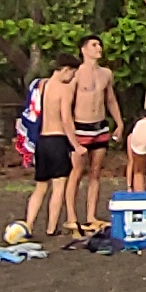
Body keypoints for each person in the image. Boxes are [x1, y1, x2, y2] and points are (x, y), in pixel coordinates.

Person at [66, 36, 123, 235]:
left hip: (100, 127)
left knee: (96, 172)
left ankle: (91, 215)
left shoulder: (106, 74)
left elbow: (111, 100)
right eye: (94, 45)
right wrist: (68, 129)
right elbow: (66, 104)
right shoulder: (76, 74)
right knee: (76, 172)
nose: (99, 48)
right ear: (83, 50)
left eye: (99, 45)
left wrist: (119, 122)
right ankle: (72, 217)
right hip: (80, 126)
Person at [22, 52, 79, 248]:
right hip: (57, 140)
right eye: (72, 73)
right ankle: (51, 227)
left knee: (40, 187)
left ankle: (28, 225)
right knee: (59, 187)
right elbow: (66, 119)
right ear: (65, 70)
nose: (72, 78)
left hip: (42, 142)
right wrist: (76, 145)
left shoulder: (41, 85)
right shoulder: (63, 89)